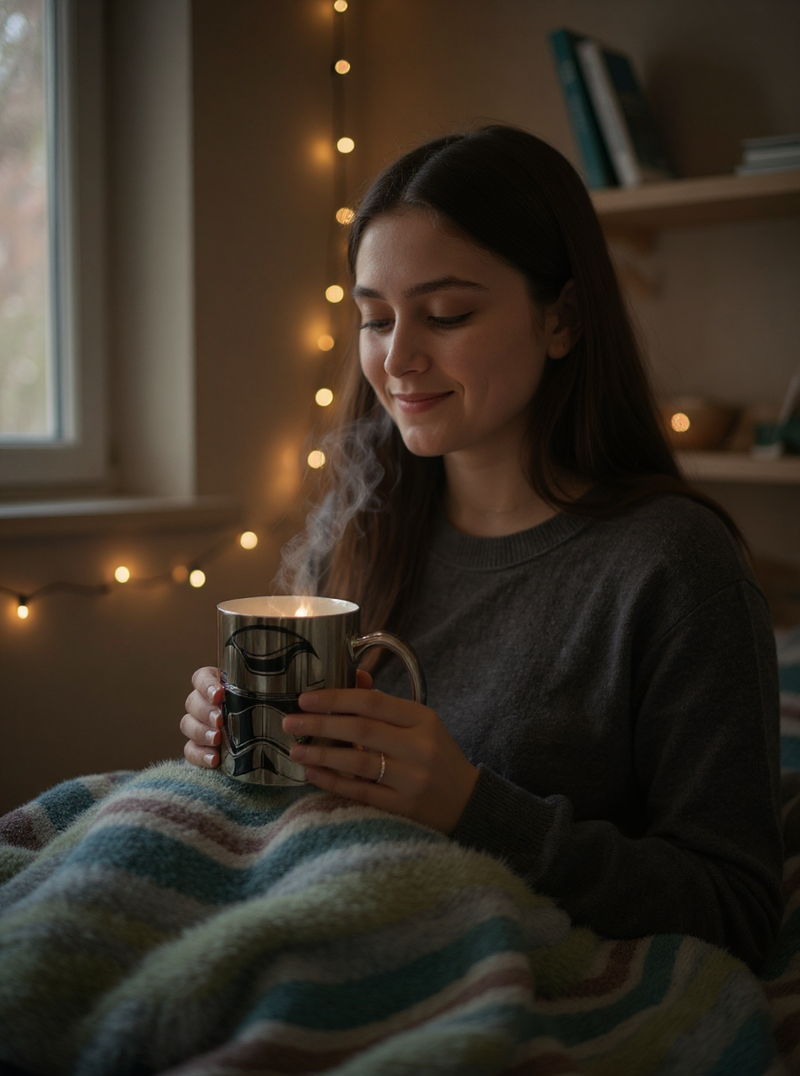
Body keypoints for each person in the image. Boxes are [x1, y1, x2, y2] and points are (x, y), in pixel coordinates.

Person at [181, 125, 783, 970]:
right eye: (374, 319)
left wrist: (471, 806)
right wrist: (234, 743)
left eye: (448, 314)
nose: (397, 360)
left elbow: (741, 911)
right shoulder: (362, 531)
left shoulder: (674, 568)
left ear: (562, 318)